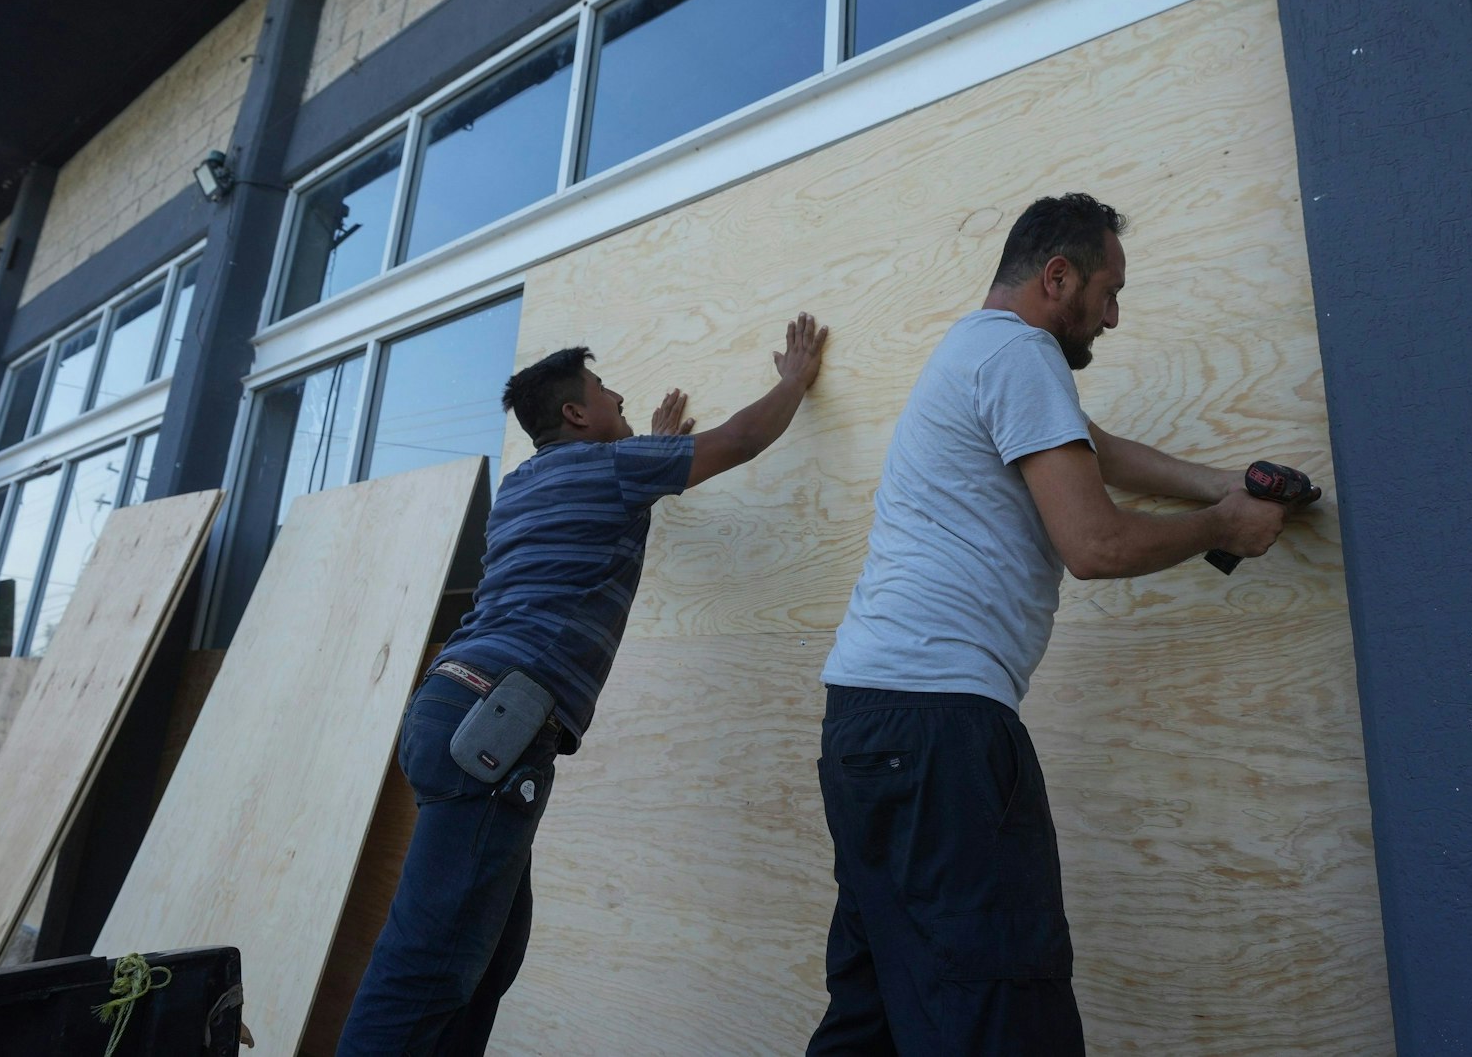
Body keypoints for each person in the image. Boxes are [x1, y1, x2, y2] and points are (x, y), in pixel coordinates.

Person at [808, 194, 1319, 1055]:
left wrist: (1230, 482)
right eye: (1109, 291)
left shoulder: (974, 350)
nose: (1114, 315)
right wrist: (1224, 530)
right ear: (1058, 277)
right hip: (944, 732)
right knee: (1003, 1011)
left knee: (876, 1014)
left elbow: (1098, 448)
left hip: (864, 725)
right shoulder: (1021, 352)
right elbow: (1095, 543)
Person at [337, 314, 830, 1055]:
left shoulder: (525, 484)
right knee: (430, 966)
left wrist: (648, 444)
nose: (619, 392)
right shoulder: (612, 470)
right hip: (493, 727)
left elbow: (607, 495)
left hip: (454, 706)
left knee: (489, 952)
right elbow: (738, 441)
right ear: (575, 413)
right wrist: (792, 380)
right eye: (604, 390)